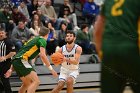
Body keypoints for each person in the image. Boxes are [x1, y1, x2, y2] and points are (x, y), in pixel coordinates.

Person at [94, 0, 140, 93]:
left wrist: (103, 53)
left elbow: (98, 28)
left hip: (109, 50)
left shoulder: (108, 2)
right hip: (132, 50)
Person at [5, 26, 58, 93]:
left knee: (27, 84)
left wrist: (11, 69)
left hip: (16, 60)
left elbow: (19, 54)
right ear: (47, 34)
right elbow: (43, 55)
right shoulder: (42, 40)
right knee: (35, 81)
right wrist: (51, 69)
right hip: (22, 60)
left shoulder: (33, 39)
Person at [0, 28, 16, 93]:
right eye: (0, 33)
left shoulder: (8, 41)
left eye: (2, 33)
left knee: (4, 78)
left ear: (5, 34)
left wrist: (5, 57)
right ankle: (1, 90)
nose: (0, 34)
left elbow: (13, 52)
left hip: (6, 63)